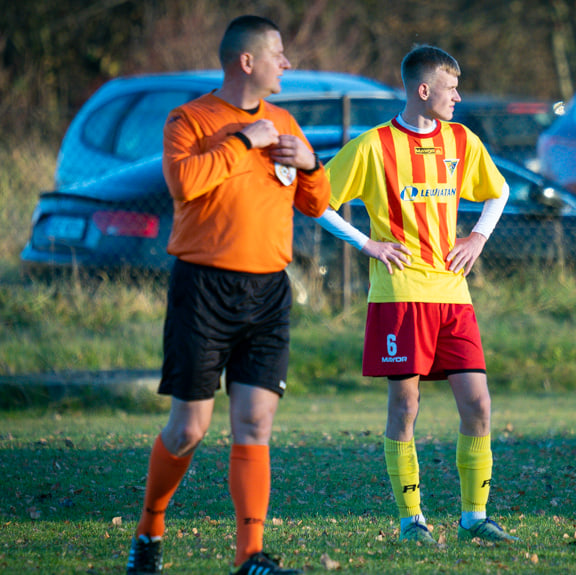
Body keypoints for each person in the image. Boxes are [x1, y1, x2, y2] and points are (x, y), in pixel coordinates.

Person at [125, 15, 330, 575]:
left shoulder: (286, 120)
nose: (286, 63)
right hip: (203, 289)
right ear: (247, 62)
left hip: (268, 292)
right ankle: (149, 529)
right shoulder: (189, 118)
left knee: (255, 425)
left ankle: (250, 558)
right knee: (189, 428)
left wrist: (310, 164)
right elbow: (184, 183)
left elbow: (316, 202)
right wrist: (245, 141)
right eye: (278, 54)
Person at [316, 45, 517, 545]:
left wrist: (478, 237)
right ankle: (412, 521)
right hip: (400, 297)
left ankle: (474, 517)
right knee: (405, 406)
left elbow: (500, 191)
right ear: (423, 90)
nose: (459, 96)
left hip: (454, 296)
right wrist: (365, 243)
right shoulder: (373, 146)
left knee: (479, 404)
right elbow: (315, 198)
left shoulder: (460, 140)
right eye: (452, 88)